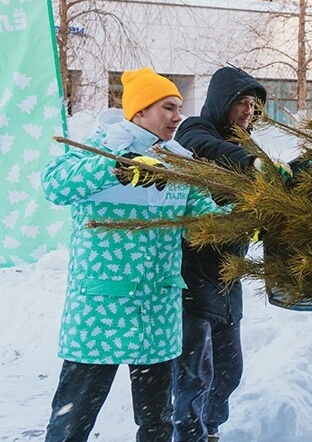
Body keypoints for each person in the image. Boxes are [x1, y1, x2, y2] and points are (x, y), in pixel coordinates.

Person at [42, 67, 221, 442]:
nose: (178, 117)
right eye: (168, 107)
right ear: (139, 112)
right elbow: (54, 184)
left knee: (156, 425)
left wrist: (248, 216)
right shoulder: (101, 147)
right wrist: (117, 168)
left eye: (179, 107)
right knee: (71, 425)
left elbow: (201, 219)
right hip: (101, 313)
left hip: (157, 311)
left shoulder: (179, 163)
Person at [172, 66, 267, 442]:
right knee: (193, 372)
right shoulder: (196, 129)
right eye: (242, 102)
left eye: (254, 105)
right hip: (193, 273)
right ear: (221, 101)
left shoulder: (248, 146)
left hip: (229, 276)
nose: (248, 111)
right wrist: (252, 164)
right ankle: (188, 434)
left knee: (229, 369)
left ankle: (210, 428)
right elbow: (209, 150)